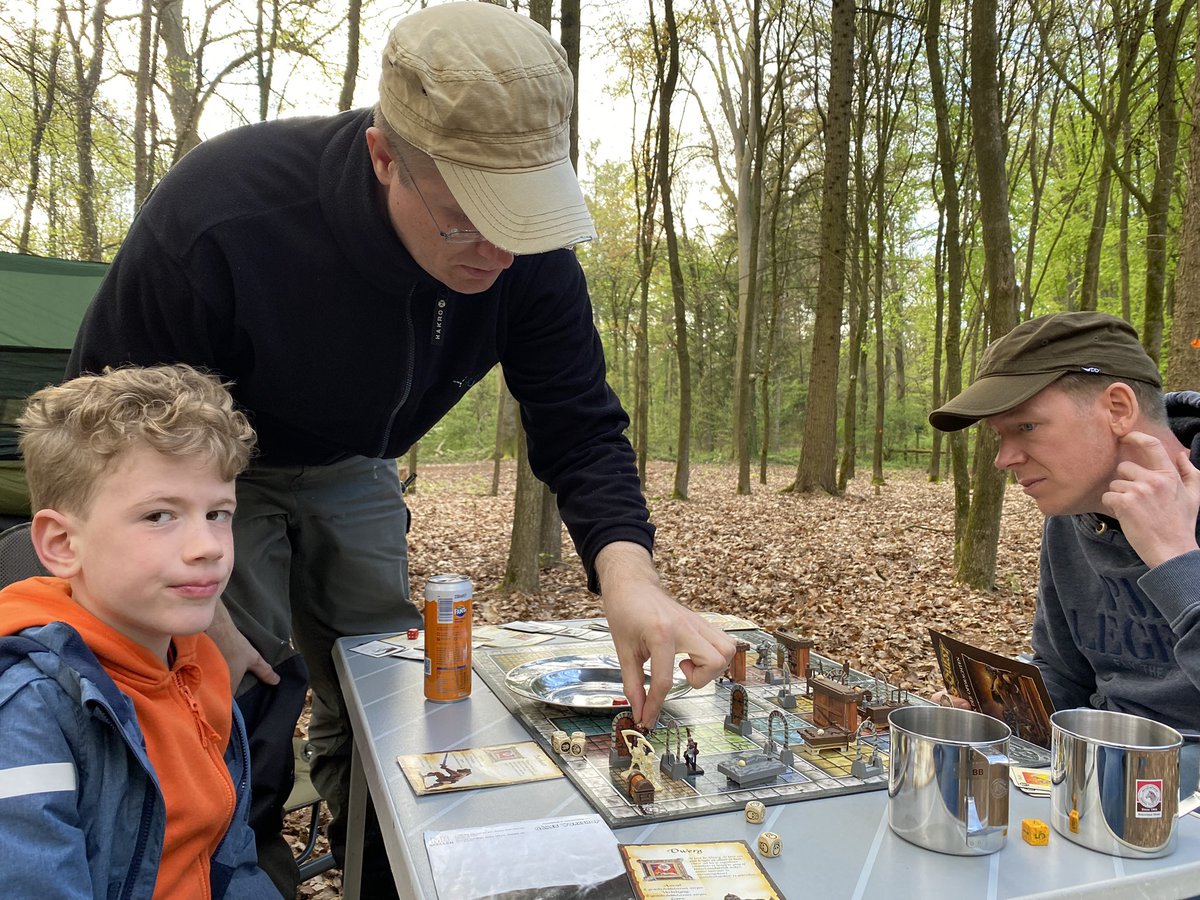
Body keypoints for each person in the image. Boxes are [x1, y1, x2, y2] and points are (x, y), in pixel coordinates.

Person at [66, 2, 736, 892]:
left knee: (383, 684)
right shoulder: (226, 212)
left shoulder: (527, 257)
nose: (499, 250)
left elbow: (578, 421)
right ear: (386, 159)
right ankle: (240, 867)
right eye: (467, 219)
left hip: (358, 468)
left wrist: (630, 576)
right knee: (235, 683)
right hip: (213, 471)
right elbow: (105, 419)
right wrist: (199, 611)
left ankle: (380, 868)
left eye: (525, 218)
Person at [0, 364, 278, 898]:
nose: (209, 546)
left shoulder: (196, 665)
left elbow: (229, 857)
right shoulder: (32, 711)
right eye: (159, 516)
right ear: (62, 544)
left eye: (219, 513)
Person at [929, 311, 1200, 794]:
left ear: (1117, 408)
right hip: (1092, 772)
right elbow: (1065, 672)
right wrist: (1000, 709)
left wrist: (1176, 557)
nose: (1003, 458)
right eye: (999, 435)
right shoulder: (1071, 514)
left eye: (1027, 427)